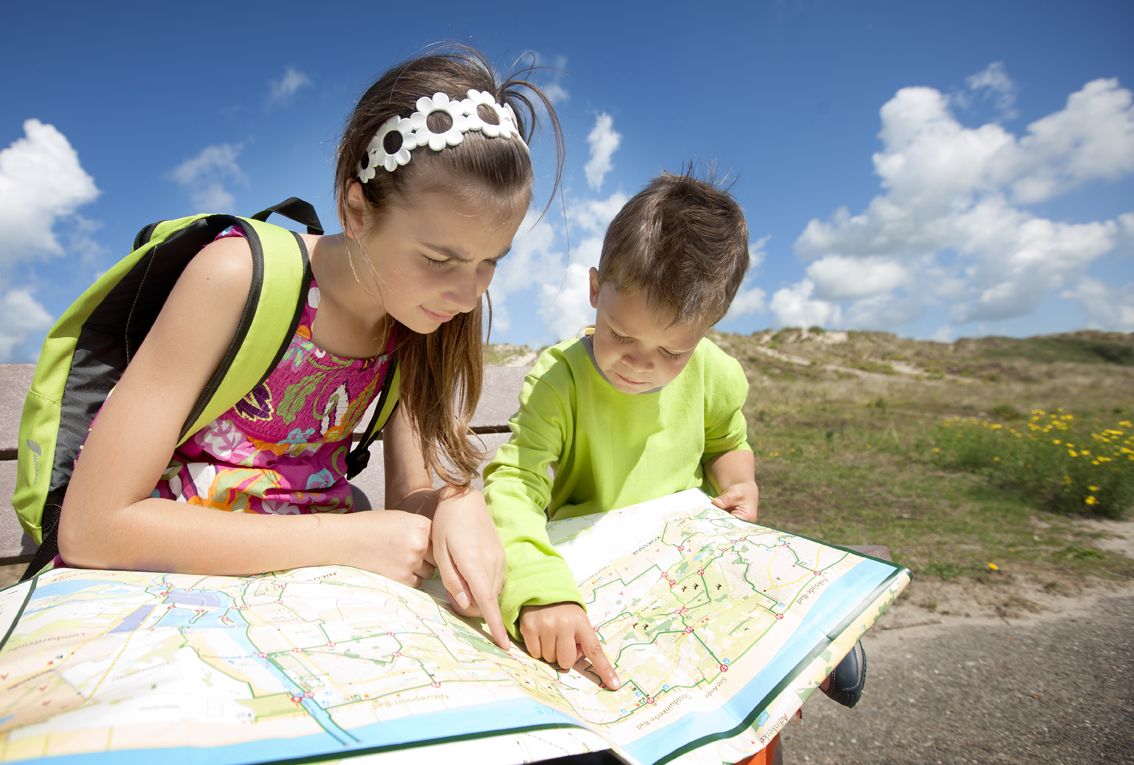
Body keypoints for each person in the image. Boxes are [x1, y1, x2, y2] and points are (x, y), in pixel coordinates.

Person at [56, 48, 560, 650]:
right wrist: (345, 540)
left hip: (309, 607)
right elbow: (91, 528)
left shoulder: (420, 320)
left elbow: (407, 496)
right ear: (355, 210)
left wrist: (451, 504)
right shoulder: (237, 276)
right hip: (164, 597)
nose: (466, 291)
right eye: (437, 259)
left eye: (488, 264)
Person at [482, 168, 757, 689]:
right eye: (621, 334)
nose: (639, 363)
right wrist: (542, 588)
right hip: (590, 586)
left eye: (673, 351)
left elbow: (728, 442)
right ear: (594, 289)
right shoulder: (559, 381)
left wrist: (739, 483)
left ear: (710, 324)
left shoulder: (716, 375)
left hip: (684, 574)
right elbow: (515, 484)